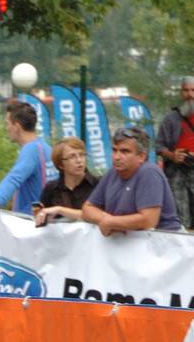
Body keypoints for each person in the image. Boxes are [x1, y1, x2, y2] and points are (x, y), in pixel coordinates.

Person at [82, 123, 181, 234]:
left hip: (163, 244)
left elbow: (149, 221)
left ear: (141, 156)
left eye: (125, 151)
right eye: (114, 150)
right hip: (130, 245)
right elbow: (87, 209)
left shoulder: (149, 172)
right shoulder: (112, 173)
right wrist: (106, 219)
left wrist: (112, 222)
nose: (117, 157)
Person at [0, 99, 54, 215]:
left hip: (29, 222)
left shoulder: (30, 150)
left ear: (17, 127)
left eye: (7, 124)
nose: (6, 128)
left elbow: (14, 178)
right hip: (45, 220)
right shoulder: (46, 148)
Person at [155, 75, 194, 231]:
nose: (190, 94)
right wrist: (172, 155)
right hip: (176, 172)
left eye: (193, 90)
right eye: (186, 90)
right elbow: (158, 146)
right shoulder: (171, 119)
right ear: (181, 93)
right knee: (179, 216)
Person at [33, 137, 96, 225]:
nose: (79, 160)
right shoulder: (51, 189)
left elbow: (98, 216)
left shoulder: (98, 184)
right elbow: (41, 219)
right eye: (72, 156)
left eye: (81, 155)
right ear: (61, 165)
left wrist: (60, 210)